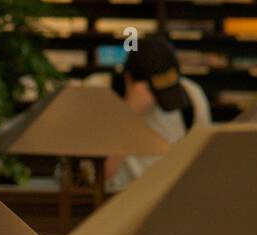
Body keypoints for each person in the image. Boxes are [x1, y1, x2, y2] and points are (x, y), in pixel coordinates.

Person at [85, 35, 212, 192]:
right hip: (116, 202)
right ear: (129, 79)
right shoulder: (100, 93)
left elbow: (202, 167)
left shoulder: (191, 95)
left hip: (170, 200)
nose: (159, 102)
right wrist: (129, 113)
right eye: (157, 93)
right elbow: (96, 175)